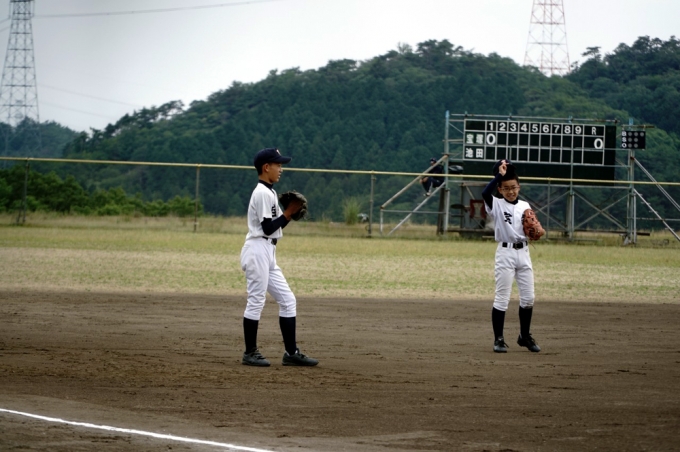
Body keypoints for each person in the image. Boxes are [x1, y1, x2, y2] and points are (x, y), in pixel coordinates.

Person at [239, 147, 319, 367]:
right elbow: (267, 228)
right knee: (256, 300)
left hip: (268, 251)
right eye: (278, 165)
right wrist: (288, 213)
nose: (281, 169)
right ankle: (250, 352)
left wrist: (288, 216)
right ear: (266, 167)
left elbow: (274, 227)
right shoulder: (262, 193)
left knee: (288, 300)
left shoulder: (270, 192)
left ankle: (291, 353)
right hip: (257, 250)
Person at [481, 159, 541, 354]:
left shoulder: (525, 205)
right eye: (506, 188)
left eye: (513, 187)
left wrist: (536, 231)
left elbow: (531, 226)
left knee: (529, 298)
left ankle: (524, 336)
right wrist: (498, 175)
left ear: (519, 187)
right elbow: (485, 193)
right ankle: (498, 339)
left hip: (524, 252)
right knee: (502, 298)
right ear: (499, 189)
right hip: (505, 253)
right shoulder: (496, 204)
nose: (511, 191)